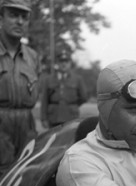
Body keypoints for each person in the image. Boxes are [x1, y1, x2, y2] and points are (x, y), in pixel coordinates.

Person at [0, 0, 39, 171]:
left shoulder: (33, 57)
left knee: (26, 176)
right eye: (13, 15)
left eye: (24, 17)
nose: (20, 21)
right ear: (1, 18)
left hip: (27, 129)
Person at [40, 49, 87, 128]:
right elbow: (44, 100)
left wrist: (72, 105)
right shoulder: (48, 79)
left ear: (70, 63)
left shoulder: (78, 79)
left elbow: (84, 97)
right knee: (53, 139)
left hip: (71, 117)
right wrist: (43, 118)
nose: (64, 64)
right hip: (54, 117)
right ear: (57, 63)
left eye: (66, 61)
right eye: (61, 61)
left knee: (71, 139)